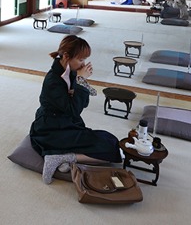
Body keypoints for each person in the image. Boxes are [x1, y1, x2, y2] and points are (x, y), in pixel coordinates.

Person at [29, 35, 122, 184]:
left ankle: (61, 156)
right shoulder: (53, 80)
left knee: (111, 141)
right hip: (50, 129)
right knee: (110, 148)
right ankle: (60, 157)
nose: (83, 64)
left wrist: (80, 83)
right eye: (80, 59)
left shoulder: (71, 71)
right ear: (66, 56)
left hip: (67, 124)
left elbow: (83, 104)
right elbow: (74, 110)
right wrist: (80, 81)